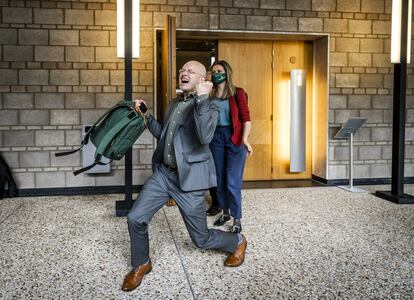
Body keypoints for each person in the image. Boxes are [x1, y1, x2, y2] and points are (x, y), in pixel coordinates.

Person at [122, 60, 247, 292]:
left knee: (201, 239)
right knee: (135, 217)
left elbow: (204, 137)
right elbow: (164, 135)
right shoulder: (174, 103)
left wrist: (201, 98)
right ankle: (141, 263)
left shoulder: (210, 106)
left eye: (190, 71)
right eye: (182, 70)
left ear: (202, 79)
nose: (183, 72)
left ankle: (236, 241)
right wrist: (147, 116)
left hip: (189, 181)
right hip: (163, 175)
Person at [209, 60, 252, 234]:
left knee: (232, 180)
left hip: (234, 137)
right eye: (213, 71)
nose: (216, 74)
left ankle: (237, 218)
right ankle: (225, 212)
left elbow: (246, 119)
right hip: (215, 138)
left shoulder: (237, 93)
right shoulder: (210, 95)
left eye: (219, 70)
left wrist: (245, 140)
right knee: (219, 179)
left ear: (227, 73)